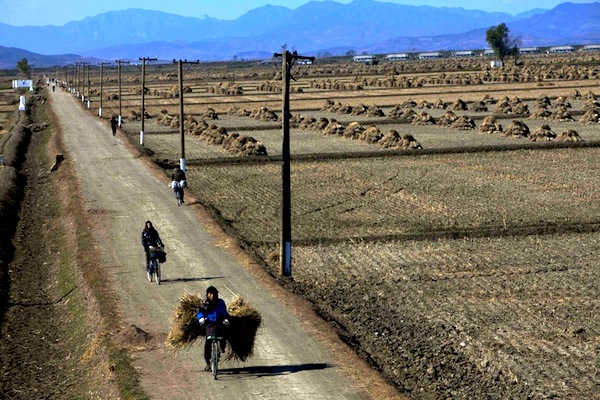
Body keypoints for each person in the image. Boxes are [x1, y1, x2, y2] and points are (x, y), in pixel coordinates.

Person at [197, 286, 230, 371]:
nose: (212, 295)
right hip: (209, 324)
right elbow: (200, 312)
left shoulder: (220, 302)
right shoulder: (204, 303)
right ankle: (207, 362)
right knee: (208, 343)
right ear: (207, 295)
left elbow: (224, 313)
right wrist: (201, 318)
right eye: (210, 294)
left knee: (223, 336)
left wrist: (226, 319)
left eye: (214, 293)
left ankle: (222, 346)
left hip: (219, 323)